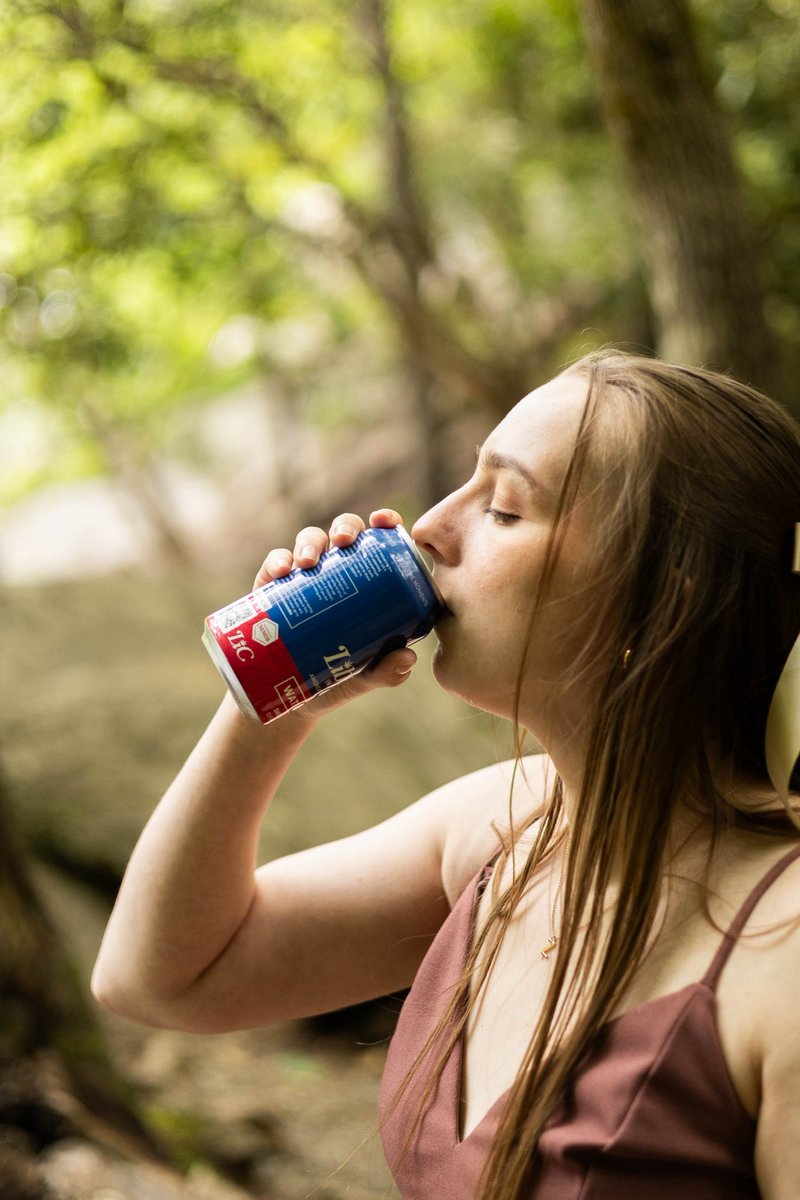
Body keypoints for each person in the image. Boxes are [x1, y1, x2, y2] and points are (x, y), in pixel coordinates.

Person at [92, 350, 800, 1200]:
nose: (426, 524)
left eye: (503, 507)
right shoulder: (500, 832)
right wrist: (272, 699)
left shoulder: (781, 955)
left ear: (659, 600)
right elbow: (158, 977)